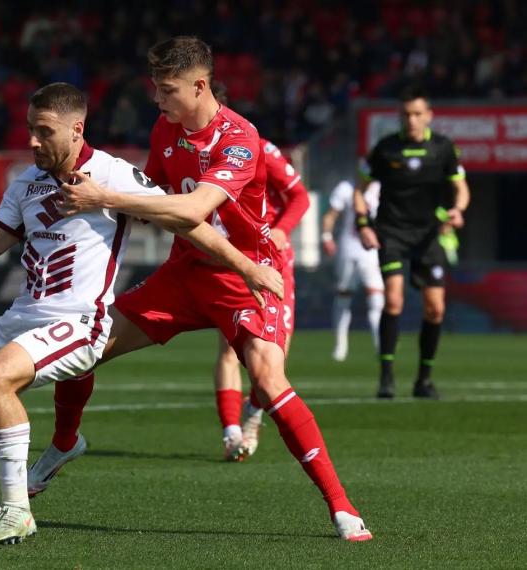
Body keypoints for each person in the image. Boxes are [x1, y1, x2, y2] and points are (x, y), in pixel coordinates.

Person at [0, 82, 282, 546]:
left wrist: (248, 267)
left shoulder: (112, 175)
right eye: (30, 129)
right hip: (24, 314)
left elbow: (188, 222)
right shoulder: (26, 182)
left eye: (44, 131)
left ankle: (17, 512)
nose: (32, 141)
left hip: (82, 321)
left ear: (76, 130)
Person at [30, 37, 372, 541]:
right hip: (184, 273)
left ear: (199, 86)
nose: (157, 99)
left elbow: (191, 209)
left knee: (268, 381)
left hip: (244, 275)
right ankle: (64, 443)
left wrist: (105, 196)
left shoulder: (240, 138)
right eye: (155, 88)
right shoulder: (165, 130)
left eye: (167, 90)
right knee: (84, 345)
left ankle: (341, 506)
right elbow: (151, 196)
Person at [208, 82, 311, 461]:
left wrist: (281, 230)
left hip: (270, 261)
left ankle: (253, 412)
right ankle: (232, 433)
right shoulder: (191, 152)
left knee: (274, 358)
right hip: (227, 259)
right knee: (228, 348)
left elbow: (299, 196)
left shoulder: (258, 148)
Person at [355, 86, 470, 399]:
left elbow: (461, 188)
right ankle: (386, 378)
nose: (412, 120)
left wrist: (458, 210)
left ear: (429, 115)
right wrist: (363, 224)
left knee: (436, 309)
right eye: (406, 114)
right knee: (394, 300)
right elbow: (360, 190)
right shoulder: (385, 149)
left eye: (418, 114)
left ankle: (424, 380)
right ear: (400, 116)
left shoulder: (444, 148)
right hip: (391, 232)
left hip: (429, 235)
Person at [321, 179, 385, 362]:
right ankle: (340, 345)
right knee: (344, 296)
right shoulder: (346, 188)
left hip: (371, 250)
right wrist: (326, 237)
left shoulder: (381, 187)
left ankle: (381, 346)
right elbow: (330, 215)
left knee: (376, 299)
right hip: (349, 249)